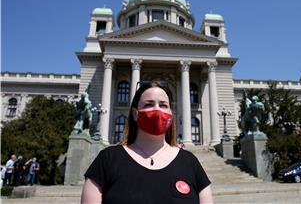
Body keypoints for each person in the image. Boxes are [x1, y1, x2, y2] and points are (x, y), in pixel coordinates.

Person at [81, 81, 213, 204]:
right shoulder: (107, 160)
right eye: (149, 104)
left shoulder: (190, 162)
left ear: (171, 114)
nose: (157, 110)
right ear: (135, 113)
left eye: (163, 105)